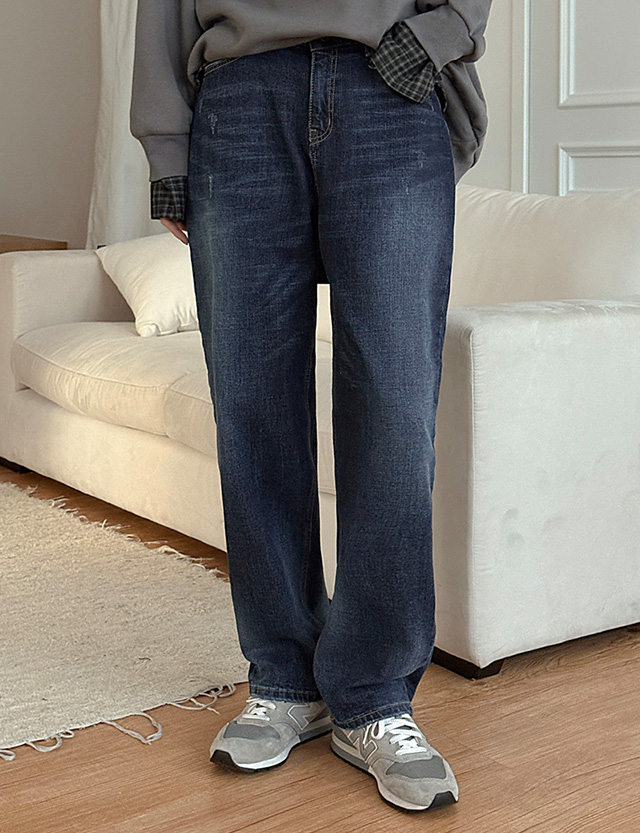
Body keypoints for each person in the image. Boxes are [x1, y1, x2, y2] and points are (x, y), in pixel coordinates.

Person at [130, 1, 492, 814]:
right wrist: (166, 145)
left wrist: (436, 36)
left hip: (389, 87)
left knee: (395, 408)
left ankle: (374, 695)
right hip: (238, 99)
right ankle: (285, 678)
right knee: (251, 406)